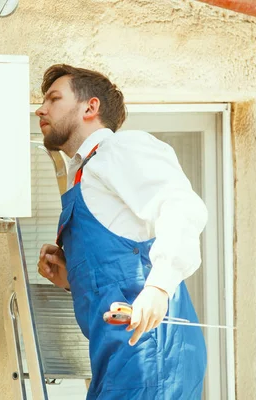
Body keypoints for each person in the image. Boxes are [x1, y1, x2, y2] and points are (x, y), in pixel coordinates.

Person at [36, 64, 208, 400]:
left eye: (54, 99)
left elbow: (181, 206)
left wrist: (159, 287)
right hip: (118, 358)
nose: (41, 109)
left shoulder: (119, 150)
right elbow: (122, 265)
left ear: (90, 107)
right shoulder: (84, 175)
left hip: (150, 356)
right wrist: (75, 277)